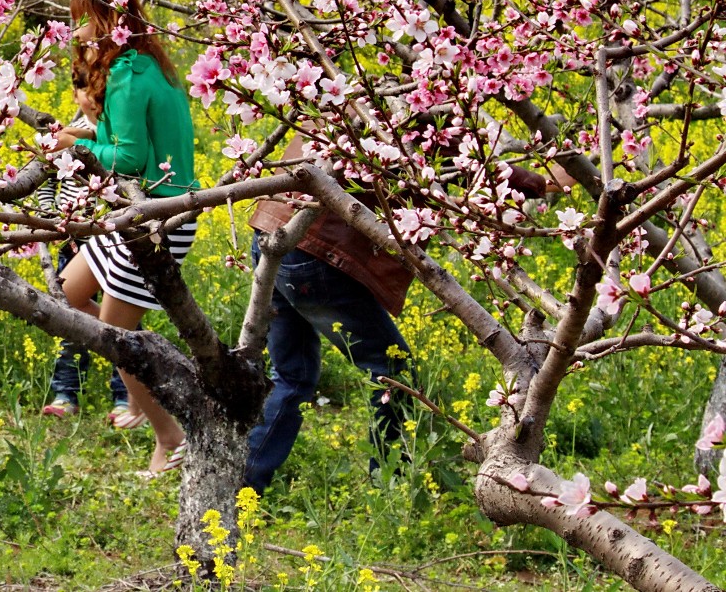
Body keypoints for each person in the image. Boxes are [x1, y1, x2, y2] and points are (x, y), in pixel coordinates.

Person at [242, 152, 568, 490]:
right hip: (319, 252)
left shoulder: (343, 100)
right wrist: (541, 183)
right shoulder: (402, 106)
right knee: (392, 371)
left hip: (275, 233)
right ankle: (389, 483)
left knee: (292, 376)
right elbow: (466, 155)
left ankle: (242, 485)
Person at [46, 0, 198, 476]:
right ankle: (142, 371)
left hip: (157, 217)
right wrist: (82, 129)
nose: (75, 31)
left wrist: (76, 149)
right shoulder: (143, 63)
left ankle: (168, 435)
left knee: (113, 332)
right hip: (135, 212)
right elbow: (126, 134)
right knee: (71, 292)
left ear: (109, 20)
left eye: (82, 20)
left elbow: (131, 160)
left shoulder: (129, 73)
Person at [40, 57, 129, 419]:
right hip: (69, 237)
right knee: (69, 316)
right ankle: (66, 394)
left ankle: (125, 398)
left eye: (96, 91)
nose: (89, 98)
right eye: (82, 90)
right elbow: (46, 180)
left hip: (110, 236)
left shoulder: (120, 137)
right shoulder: (65, 134)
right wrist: (50, 217)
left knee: (122, 316)